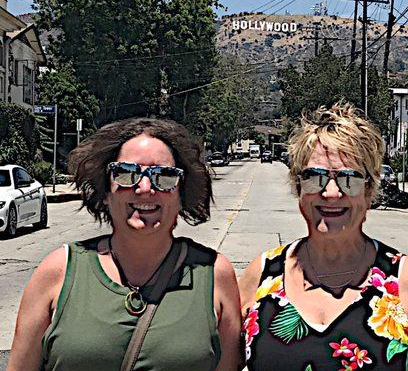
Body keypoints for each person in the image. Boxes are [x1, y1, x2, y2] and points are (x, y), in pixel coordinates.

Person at [8, 118, 241, 371]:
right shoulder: (58, 272)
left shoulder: (215, 275)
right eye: (126, 174)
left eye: (164, 176)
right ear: (106, 191)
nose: (144, 188)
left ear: (181, 194)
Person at [239, 104, 408, 370]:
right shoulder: (260, 276)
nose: (330, 193)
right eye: (314, 177)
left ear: (368, 192)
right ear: (298, 187)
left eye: (348, 179)